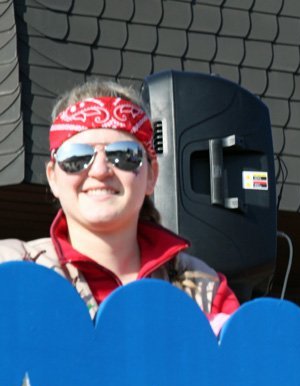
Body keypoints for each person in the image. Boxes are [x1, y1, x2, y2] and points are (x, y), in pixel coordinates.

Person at [0, 80, 239, 333]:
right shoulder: (9, 268)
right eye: (76, 157)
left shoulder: (204, 290)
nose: (100, 170)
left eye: (124, 154)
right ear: (53, 178)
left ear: (152, 175)